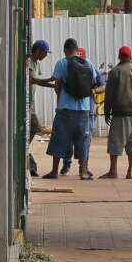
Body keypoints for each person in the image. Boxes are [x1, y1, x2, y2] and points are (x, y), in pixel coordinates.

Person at [43, 38, 96, 180]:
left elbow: (57, 85)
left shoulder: (62, 63)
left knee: (59, 139)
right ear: (77, 50)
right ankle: (83, 172)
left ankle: (54, 171)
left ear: (66, 50)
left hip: (65, 109)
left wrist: (60, 100)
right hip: (84, 110)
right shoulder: (88, 63)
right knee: (83, 140)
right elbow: (93, 84)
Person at [100, 46, 132, 179]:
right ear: (131, 56)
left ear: (119, 56)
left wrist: (106, 110)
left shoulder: (116, 72)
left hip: (121, 113)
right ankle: (130, 172)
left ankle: (113, 171)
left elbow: (109, 93)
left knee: (115, 142)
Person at [60, 47, 104, 177]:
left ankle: (83, 167)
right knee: (73, 139)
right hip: (79, 110)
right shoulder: (67, 67)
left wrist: (94, 91)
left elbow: (102, 86)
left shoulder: (90, 68)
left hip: (87, 111)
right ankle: (67, 162)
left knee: (85, 140)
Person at [27, 40, 55, 177]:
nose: (45, 56)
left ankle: (24, 151)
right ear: (38, 50)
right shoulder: (29, 61)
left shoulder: (36, 63)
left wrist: (52, 85)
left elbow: (38, 81)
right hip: (25, 102)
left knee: (34, 129)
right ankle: (24, 150)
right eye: (45, 52)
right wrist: (50, 79)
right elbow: (31, 79)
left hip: (30, 102)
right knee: (36, 128)